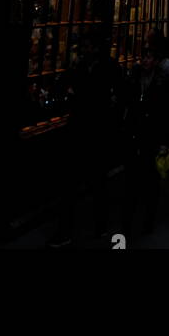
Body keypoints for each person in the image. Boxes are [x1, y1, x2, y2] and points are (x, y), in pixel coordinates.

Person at [49, 33, 123, 247]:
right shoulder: (81, 66)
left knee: (96, 181)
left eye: (89, 46)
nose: (85, 50)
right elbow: (64, 86)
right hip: (80, 130)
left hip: (97, 131)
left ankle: (97, 223)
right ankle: (68, 230)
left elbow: (118, 97)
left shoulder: (107, 67)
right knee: (75, 183)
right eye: (84, 46)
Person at [123, 42, 169, 237]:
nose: (145, 60)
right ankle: (127, 221)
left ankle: (147, 221)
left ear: (156, 61)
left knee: (150, 183)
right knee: (131, 183)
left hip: (152, 139)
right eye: (143, 57)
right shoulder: (134, 79)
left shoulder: (162, 81)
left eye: (149, 57)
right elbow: (126, 103)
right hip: (134, 137)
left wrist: (164, 142)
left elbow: (168, 114)